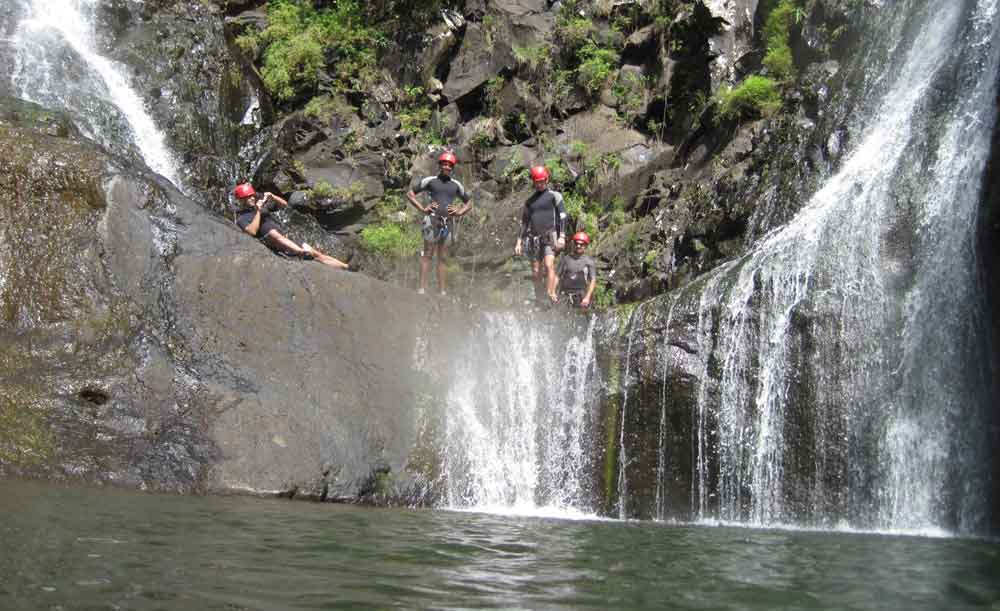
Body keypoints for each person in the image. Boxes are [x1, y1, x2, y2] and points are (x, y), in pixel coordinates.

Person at [232, 183, 354, 271]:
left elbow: (284, 205)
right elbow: (251, 232)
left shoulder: (260, 204)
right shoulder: (242, 217)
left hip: (286, 237)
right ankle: (300, 252)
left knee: (316, 254)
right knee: (273, 234)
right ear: (241, 200)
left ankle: (346, 267)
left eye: (252, 195)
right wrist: (258, 211)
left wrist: (273, 197)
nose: (252, 198)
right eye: (248, 197)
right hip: (273, 240)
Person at [406, 151, 473, 296]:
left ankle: (442, 292)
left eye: (449, 165)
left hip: (447, 222)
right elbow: (410, 193)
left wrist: (460, 211)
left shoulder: (456, 185)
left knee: (443, 257)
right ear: (440, 165)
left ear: (452, 167)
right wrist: (422, 208)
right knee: (428, 254)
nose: (447, 166)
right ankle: (422, 289)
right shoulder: (430, 180)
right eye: (444, 163)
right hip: (432, 220)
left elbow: (469, 202)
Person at [513, 165, 567, 304]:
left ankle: (551, 292)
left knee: (549, 265)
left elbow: (562, 217)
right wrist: (519, 242)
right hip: (534, 240)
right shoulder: (530, 202)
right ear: (534, 182)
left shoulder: (554, 196)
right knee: (536, 272)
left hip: (550, 236)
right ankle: (539, 298)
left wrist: (562, 236)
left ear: (547, 180)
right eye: (537, 181)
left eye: (542, 181)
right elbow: (524, 223)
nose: (540, 184)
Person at [554, 231, 598, 309]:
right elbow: (557, 276)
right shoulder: (565, 259)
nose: (578, 246)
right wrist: (553, 292)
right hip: (564, 295)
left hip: (581, 296)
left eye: (581, 244)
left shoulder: (589, 262)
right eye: (576, 243)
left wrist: (587, 297)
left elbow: (593, 281)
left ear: (585, 246)